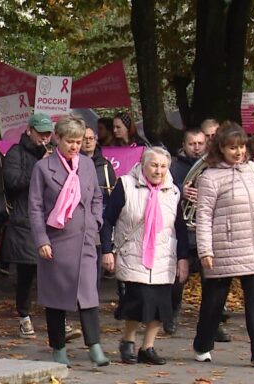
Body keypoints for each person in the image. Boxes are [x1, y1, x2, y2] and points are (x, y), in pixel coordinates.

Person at [192, 122, 254, 369]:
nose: (238, 152)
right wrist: (206, 250)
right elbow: (204, 217)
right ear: (221, 148)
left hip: (253, 247)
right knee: (213, 303)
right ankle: (202, 345)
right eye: (233, 148)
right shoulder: (210, 177)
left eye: (241, 147)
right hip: (224, 248)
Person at [29, 115, 109, 367]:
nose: (75, 146)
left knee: (88, 294)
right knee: (56, 297)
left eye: (79, 141)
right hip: (56, 240)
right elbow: (35, 206)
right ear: (58, 140)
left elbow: (97, 196)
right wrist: (41, 239)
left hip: (85, 239)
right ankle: (59, 348)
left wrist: (96, 221)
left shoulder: (86, 165)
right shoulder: (43, 168)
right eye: (70, 142)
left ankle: (94, 345)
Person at [101, 147, 188, 365]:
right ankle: (128, 341)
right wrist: (106, 250)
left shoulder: (173, 191)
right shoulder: (126, 185)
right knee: (138, 301)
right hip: (133, 253)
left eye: (163, 166)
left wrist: (183, 258)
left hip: (163, 255)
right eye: (154, 165)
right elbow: (107, 219)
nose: (158, 170)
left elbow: (180, 226)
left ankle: (147, 347)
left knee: (160, 305)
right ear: (143, 164)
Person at [2, 113, 82, 340]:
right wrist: (40, 167)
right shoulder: (16, 153)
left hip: (52, 223)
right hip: (25, 221)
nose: (44, 138)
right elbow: (12, 182)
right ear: (29, 131)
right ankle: (24, 317)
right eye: (41, 133)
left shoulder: (56, 155)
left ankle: (60, 320)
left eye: (48, 134)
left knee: (55, 274)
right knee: (27, 273)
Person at [166, 128, 206, 336]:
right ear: (184, 145)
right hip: (181, 230)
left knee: (212, 280)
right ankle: (171, 315)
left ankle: (212, 323)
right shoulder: (173, 167)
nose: (197, 148)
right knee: (177, 279)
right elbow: (163, 188)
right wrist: (181, 190)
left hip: (204, 232)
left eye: (200, 143)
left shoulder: (211, 167)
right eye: (192, 144)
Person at [81, 127, 116, 286]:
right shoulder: (72, 163)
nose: (87, 141)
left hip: (97, 220)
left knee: (94, 261)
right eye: (84, 138)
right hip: (78, 217)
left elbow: (111, 195)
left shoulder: (106, 166)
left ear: (96, 140)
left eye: (91, 138)